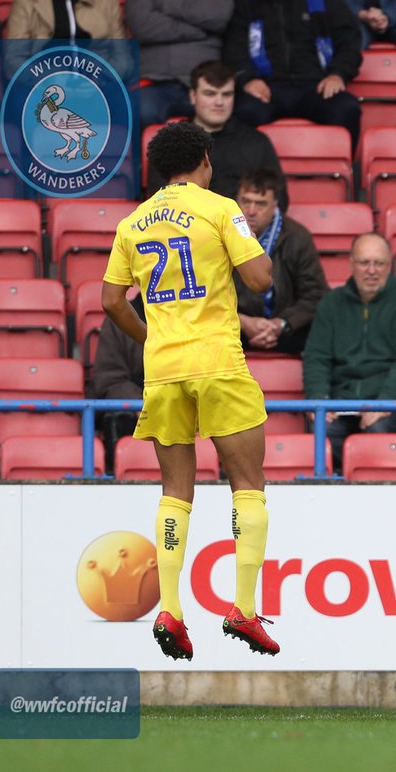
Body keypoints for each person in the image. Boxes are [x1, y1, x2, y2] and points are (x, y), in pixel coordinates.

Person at [100, 121, 279, 660]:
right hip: (218, 361)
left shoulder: (132, 222)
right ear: (205, 159)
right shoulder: (220, 208)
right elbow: (260, 279)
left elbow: (111, 301)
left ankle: (172, 609)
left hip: (163, 370)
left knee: (175, 489)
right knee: (247, 482)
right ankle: (244, 609)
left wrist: (152, 334)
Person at [302, 233, 396, 470]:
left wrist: (385, 404)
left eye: (379, 263)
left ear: (389, 265)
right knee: (324, 429)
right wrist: (320, 399)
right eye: (364, 263)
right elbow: (316, 358)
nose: (371, 270)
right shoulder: (331, 303)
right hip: (344, 399)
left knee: (376, 429)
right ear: (351, 264)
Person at [223, 0, 363, 148]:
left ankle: (341, 170)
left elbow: (349, 42)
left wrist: (338, 74)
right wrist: (248, 80)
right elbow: (234, 49)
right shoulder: (245, 1)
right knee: (245, 112)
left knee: (346, 108)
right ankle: (248, 172)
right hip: (266, 87)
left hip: (316, 85)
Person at [145, 62, 285, 203]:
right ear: (193, 96)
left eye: (226, 94)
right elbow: (158, 199)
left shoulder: (256, 142)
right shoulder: (170, 143)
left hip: (241, 224)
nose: (219, 102)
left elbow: (278, 199)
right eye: (210, 94)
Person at [234, 169, 329, 355]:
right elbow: (207, 295)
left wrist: (280, 324)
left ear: (275, 205)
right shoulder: (221, 236)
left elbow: (315, 294)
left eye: (261, 204)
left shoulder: (297, 237)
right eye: (245, 202)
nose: (251, 211)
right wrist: (243, 322)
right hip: (235, 328)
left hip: (285, 330)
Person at [127, 0, 235, 126]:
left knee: (238, 111)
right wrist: (199, 30)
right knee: (142, 110)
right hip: (156, 84)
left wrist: (164, 4)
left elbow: (218, 16)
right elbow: (143, 27)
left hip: (208, 84)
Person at [89, 292, 146, 466]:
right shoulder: (119, 321)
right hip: (137, 415)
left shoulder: (198, 317)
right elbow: (109, 379)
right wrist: (146, 405)